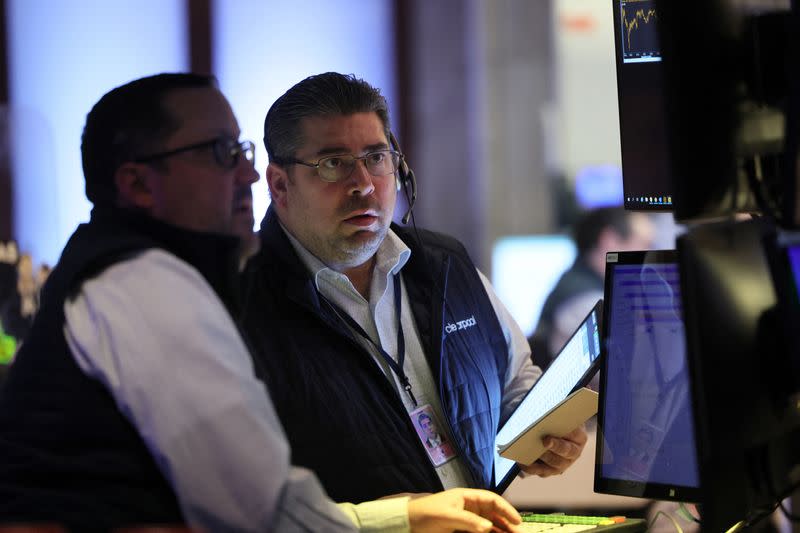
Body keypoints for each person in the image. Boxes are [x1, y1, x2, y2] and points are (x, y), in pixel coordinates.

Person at [0, 73, 523, 533]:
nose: (245, 175)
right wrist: (404, 519)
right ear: (138, 184)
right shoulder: (145, 283)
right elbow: (259, 511)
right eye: (218, 153)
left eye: (375, 158)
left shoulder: (441, 261)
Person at [239, 72, 588, 504]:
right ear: (279, 184)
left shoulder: (445, 265)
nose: (363, 184)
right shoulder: (241, 301)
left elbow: (515, 380)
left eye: (376, 157)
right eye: (333, 164)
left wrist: (541, 438)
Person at [529, 206, 655, 369]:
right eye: (644, 244)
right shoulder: (586, 304)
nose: (651, 255)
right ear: (608, 240)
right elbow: (622, 374)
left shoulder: (577, 281)